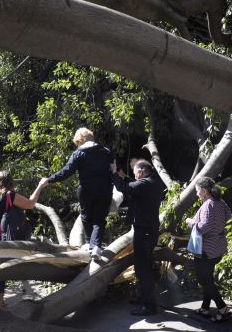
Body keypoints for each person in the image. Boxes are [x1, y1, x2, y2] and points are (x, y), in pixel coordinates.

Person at [0, 170, 48, 309]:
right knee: (1, 269)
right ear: (9, 182)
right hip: (3, 237)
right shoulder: (9, 195)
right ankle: (0, 302)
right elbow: (30, 204)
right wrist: (40, 186)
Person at [41, 127, 114, 258]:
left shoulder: (78, 154)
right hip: (104, 189)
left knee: (86, 216)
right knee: (99, 218)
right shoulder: (106, 152)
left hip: (86, 190)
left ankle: (91, 245)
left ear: (80, 140)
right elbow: (114, 170)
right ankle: (94, 246)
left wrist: (49, 180)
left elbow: (66, 171)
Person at [111, 159, 166, 315]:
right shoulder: (152, 181)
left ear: (141, 172)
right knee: (143, 266)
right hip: (147, 229)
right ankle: (144, 298)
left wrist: (115, 173)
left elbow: (123, 188)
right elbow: (132, 185)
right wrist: (124, 176)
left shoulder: (145, 184)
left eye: (135, 174)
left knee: (143, 269)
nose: (134, 176)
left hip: (145, 231)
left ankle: (149, 306)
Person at [185, 177, 232, 322]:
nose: (197, 193)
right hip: (218, 248)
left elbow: (201, 228)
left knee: (204, 280)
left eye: (198, 190)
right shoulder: (221, 203)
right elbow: (229, 218)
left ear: (204, 191)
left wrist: (189, 221)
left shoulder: (208, 205)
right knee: (208, 279)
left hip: (206, 250)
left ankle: (223, 309)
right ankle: (205, 308)